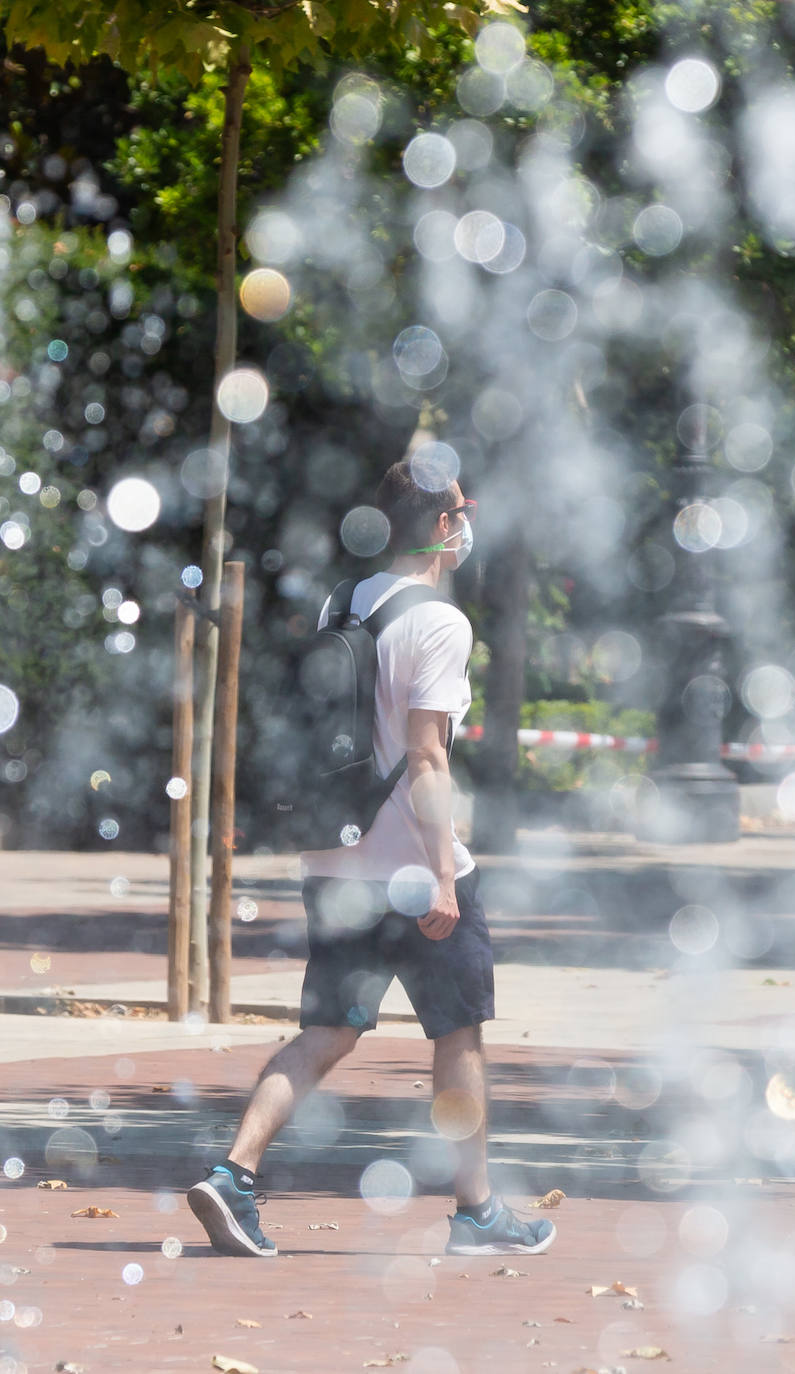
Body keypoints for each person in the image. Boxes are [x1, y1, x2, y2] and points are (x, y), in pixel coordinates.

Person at [186, 456, 555, 1260]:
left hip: (335, 859)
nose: (467, 521)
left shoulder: (339, 602)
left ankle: (233, 1175)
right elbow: (426, 758)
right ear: (441, 526)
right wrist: (445, 874)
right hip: (413, 868)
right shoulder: (443, 624)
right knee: (458, 1036)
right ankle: (476, 1213)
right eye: (461, 510)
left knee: (324, 1030)